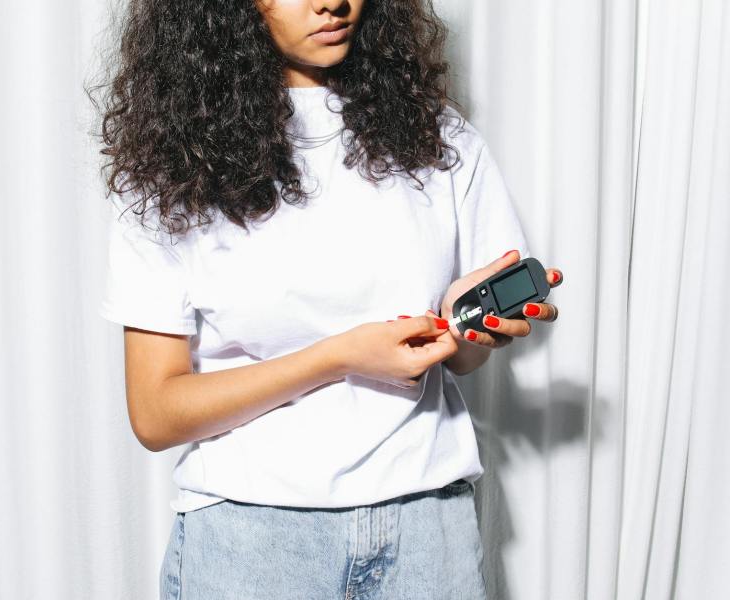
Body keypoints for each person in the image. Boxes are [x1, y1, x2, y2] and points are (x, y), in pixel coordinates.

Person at [92, 0, 563, 598]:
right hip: (253, 543)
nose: (332, 1)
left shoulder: (438, 137)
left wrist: (464, 329)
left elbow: (462, 360)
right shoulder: (173, 169)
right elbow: (157, 414)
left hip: (426, 533)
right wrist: (337, 358)